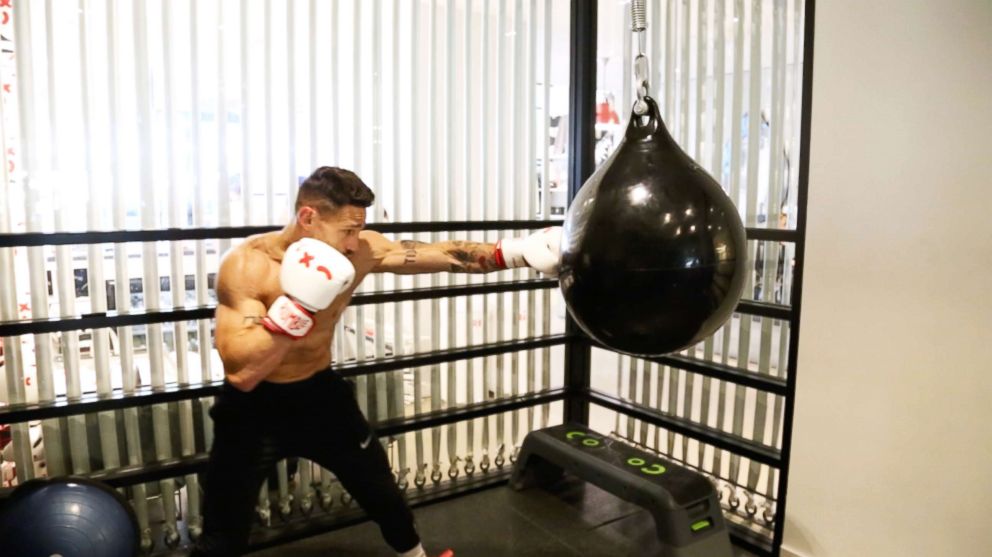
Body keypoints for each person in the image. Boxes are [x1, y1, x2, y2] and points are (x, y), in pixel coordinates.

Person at [191, 166, 561, 557]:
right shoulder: (249, 265)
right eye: (346, 231)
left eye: (358, 231)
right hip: (253, 410)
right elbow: (242, 373)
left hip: (319, 395)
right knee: (223, 531)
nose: (353, 244)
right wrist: (295, 309)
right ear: (307, 218)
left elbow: (443, 255)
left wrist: (517, 253)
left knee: (382, 492)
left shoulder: (361, 249)